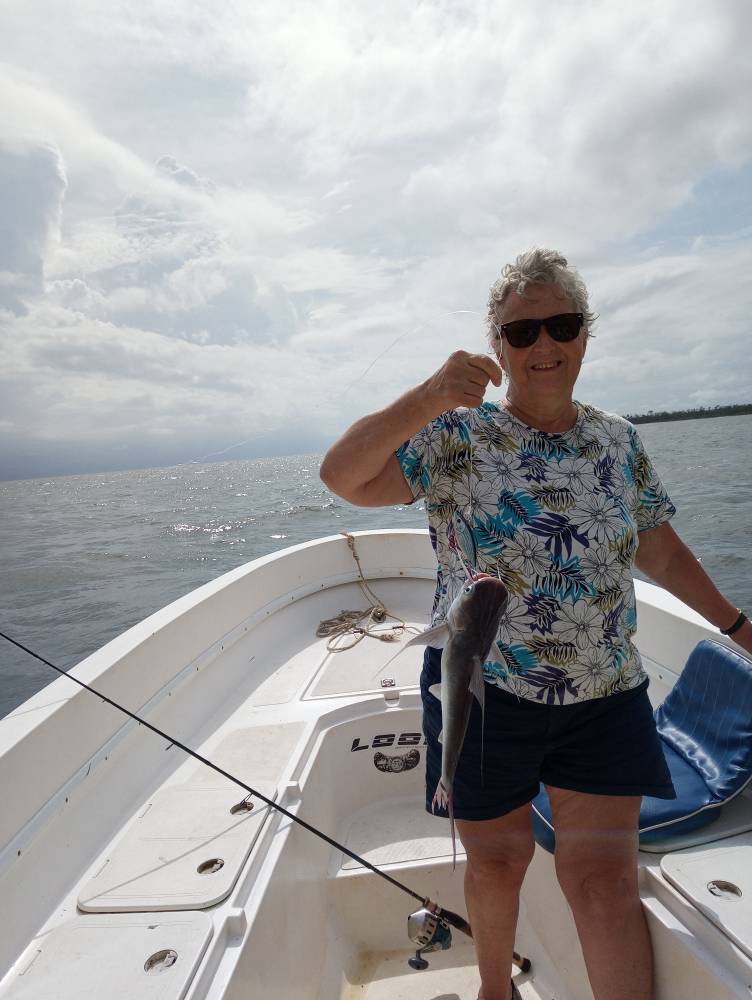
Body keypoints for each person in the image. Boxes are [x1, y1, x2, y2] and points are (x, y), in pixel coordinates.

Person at [319, 248, 752, 1000]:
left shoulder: (618, 441)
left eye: (562, 325)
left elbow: (660, 548)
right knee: (496, 862)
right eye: (522, 332)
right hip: (483, 691)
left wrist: (739, 626)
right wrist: (428, 396)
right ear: (498, 346)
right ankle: (496, 990)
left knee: (604, 882)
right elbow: (344, 476)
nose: (544, 344)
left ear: (585, 333)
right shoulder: (455, 435)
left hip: (605, 692)